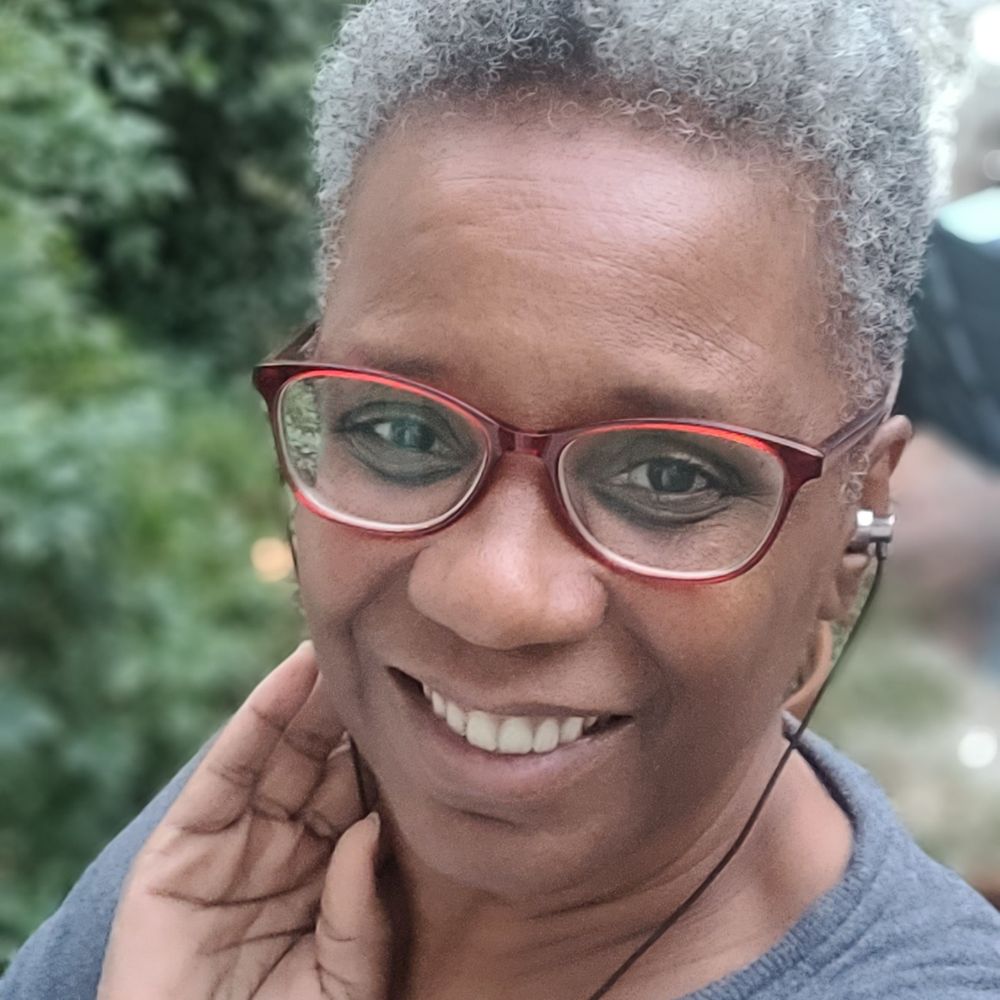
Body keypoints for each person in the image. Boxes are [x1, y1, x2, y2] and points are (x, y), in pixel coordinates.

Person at [3, 1, 1000, 998]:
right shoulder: (251, 847)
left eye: (668, 476)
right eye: (402, 431)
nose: (493, 596)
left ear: (852, 522)